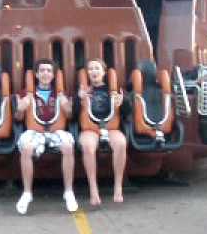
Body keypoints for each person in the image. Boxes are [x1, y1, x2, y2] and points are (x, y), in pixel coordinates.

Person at [14, 59, 77, 215]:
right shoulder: (26, 94)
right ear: (36, 74)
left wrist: (66, 106)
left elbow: (70, 116)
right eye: (42, 70)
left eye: (49, 71)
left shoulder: (61, 94)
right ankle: (27, 193)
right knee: (27, 149)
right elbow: (18, 118)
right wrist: (20, 109)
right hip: (35, 132)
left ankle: (68, 191)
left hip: (56, 131)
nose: (45, 73)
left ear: (53, 75)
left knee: (68, 146)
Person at [78, 59, 126, 206]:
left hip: (111, 127)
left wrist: (123, 102)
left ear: (104, 72)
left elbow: (127, 113)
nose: (93, 71)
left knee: (121, 143)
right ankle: (93, 189)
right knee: (87, 146)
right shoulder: (83, 91)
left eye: (97, 68)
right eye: (90, 69)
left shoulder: (113, 89)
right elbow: (73, 115)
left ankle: (118, 186)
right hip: (90, 128)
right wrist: (78, 99)